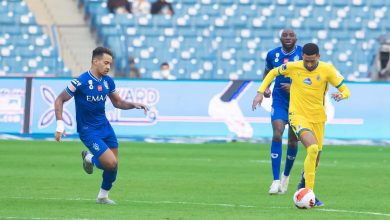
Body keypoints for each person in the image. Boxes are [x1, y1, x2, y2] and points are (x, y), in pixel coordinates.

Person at [252, 43, 350, 206]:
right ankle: (310, 193)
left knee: (316, 157)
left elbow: (346, 90)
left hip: (318, 118)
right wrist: (260, 92)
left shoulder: (327, 70)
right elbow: (272, 73)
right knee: (311, 149)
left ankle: (302, 186)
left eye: (312, 61)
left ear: (318, 56)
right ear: (302, 57)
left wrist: (342, 95)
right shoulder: (293, 66)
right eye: (306, 61)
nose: (309, 64)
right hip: (297, 116)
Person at [54, 47, 149, 204]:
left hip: (105, 128)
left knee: (113, 165)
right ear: (95, 61)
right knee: (110, 162)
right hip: (88, 131)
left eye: (110, 64)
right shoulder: (80, 82)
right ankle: (91, 160)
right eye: (105, 63)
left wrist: (134, 104)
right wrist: (59, 125)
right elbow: (59, 99)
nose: (108, 67)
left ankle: (102, 196)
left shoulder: (108, 81)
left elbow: (118, 102)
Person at [262, 29, 302, 195]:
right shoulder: (272, 54)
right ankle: (275, 180)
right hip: (279, 100)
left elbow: (311, 78)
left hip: (298, 101)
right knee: (277, 133)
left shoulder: (303, 53)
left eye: (291, 35)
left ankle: (286, 176)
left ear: (296, 38)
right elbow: (268, 72)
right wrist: (265, 87)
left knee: (293, 141)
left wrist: (294, 87)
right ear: (280, 38)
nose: (288, 37)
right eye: (285, 35)